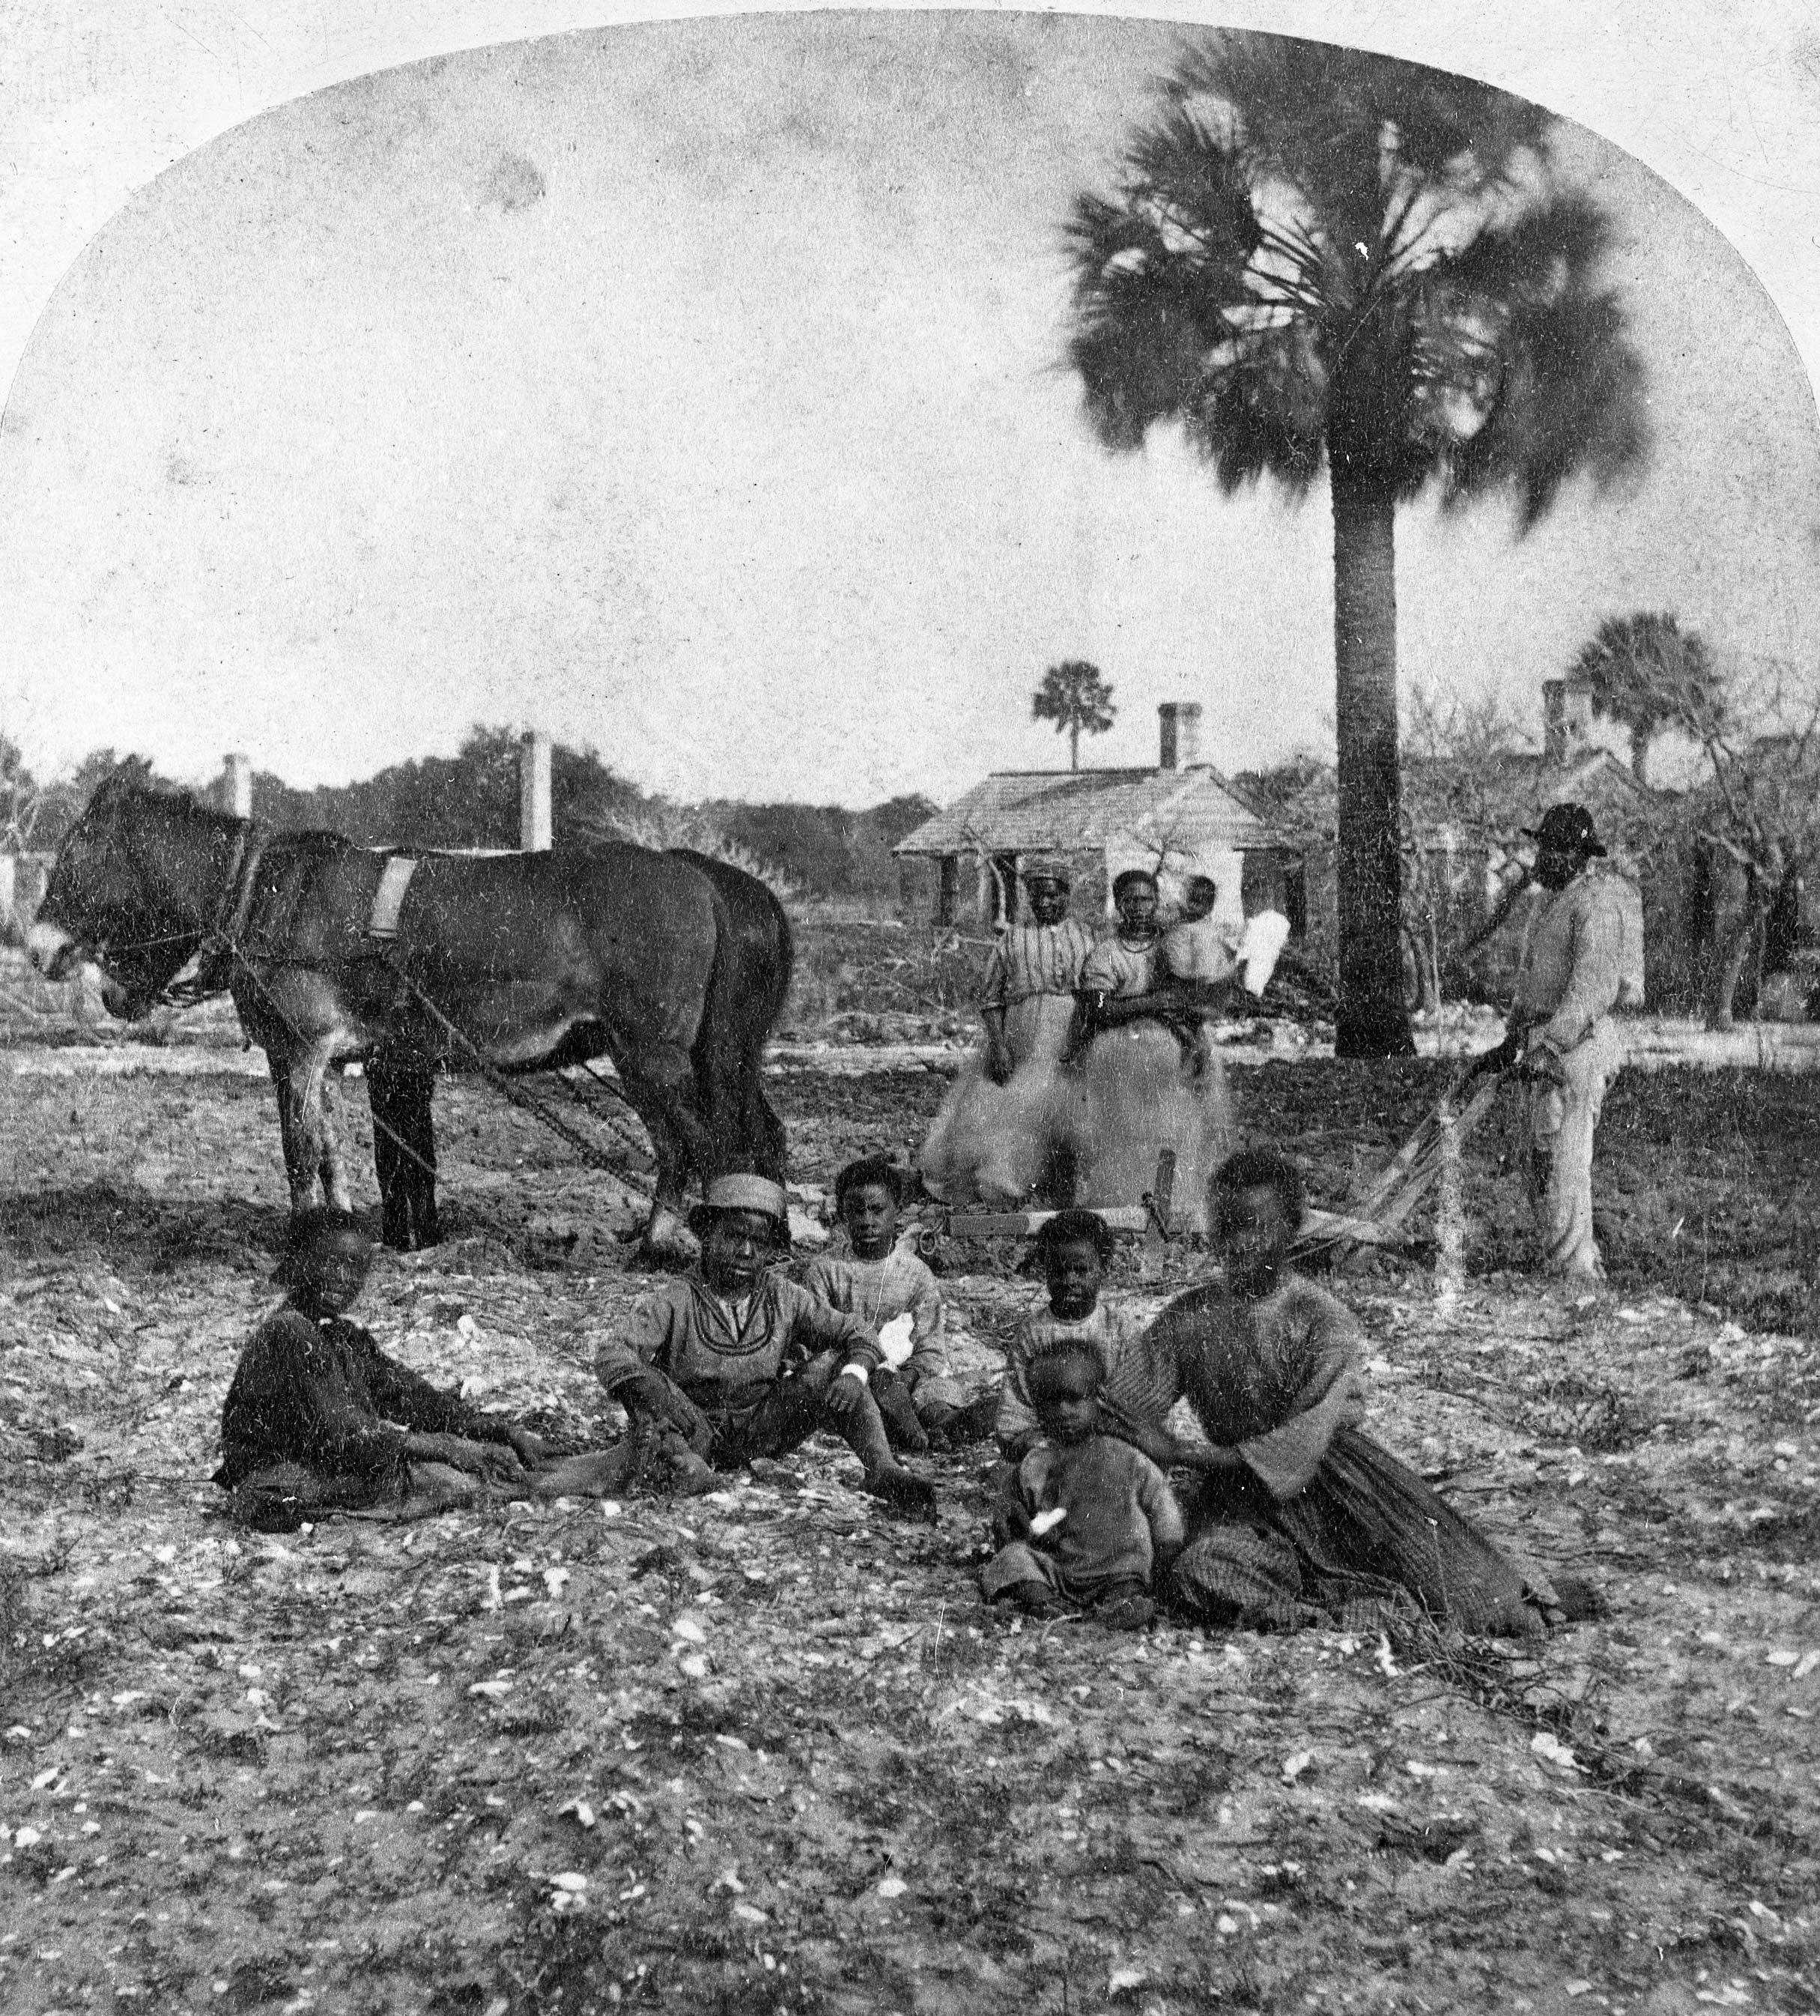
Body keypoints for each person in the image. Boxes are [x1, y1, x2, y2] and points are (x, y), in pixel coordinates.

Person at [1089, 1149, 1595, 1637]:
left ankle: (1513, 1587)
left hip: (1344, 1489)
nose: (1237, 1243)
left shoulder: (1321, 1319)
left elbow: (1300, 1447)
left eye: (1255, 1227)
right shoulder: (1190, 1317)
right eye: (1226, 1227)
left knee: (1483, 1605)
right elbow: (1122, 1405)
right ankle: (1313, 1604)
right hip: (1240, 1495)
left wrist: (1179, 1451)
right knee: (1198, 1571)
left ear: (1292, 1229)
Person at [595, 1175, 938, 1519]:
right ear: (707, 1235)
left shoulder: (782, 1296)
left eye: (758, 1243)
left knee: (833, 1364)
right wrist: (649, 1385)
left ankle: (882, 1468)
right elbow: (614, 1352)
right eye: (733, 1237)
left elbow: (855, 1331)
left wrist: (854, 1373)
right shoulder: (675, 1299)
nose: (746, 1252)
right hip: (691, 1430)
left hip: (763, 1429)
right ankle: (680, 1465)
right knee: (643, 1385)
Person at [214, 1208, 549, 1532]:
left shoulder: (340, 1335)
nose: (345, 1278)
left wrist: (501, 1431)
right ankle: (575, 1477)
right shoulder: (289, 1331)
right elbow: (352, 1438)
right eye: (332, 1262)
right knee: (452, 1479)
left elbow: (413, 1400)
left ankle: (565, 1473)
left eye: (357, 1267)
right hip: (277, 1480)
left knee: (471, 1467)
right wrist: (450, 1447)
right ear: (298, 1261)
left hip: (320, 1468)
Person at [1468, 804, 1628, 1280]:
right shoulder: (1551, 904)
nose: (1544, 859)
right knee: (1538, 1158)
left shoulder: (1597, 904)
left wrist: (1545, 1044)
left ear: (1579, 856)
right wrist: (1509, 1042)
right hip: (1541, 1047)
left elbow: (1589, 995)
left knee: (1565, 1160)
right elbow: (1532, 989)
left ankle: (1575, 1270)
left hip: (1576, 1050)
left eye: (1555, 850)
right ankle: (1554, 1259)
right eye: (1543, 848)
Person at [981, 1340, 1184, 1630]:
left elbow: (1164, 1513)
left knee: (1129, 1585)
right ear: (1037, 1410)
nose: (1064, 1411)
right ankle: (1045, 1604)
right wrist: (1022, 1529)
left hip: (1117, 1570)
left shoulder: (1128, 1458)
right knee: (1013, 1561)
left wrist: (1165, 1562)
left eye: (1075, 1400)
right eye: (1051, 1402)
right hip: (1059, 1570)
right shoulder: (1036, 1464)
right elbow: (1012, 1519)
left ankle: (1122, 1607)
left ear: (1098, 1401)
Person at [801, 1157, 991, 1452]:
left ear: (897, 1212)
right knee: (853, 1393)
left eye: (877, 1210)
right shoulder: (826, 1270)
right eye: (857, 1211)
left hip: (905, 1376)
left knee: (937, 1390)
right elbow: (813, 1336)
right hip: (849, 1375)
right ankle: (907, 1428)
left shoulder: (914, 1274)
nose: (867, 1221)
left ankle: (947, 1422)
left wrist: (907, 1376)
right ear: (843, 1215)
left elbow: (929, 1346)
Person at [995, 1210, 1150, 1465]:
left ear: (1103, 1270)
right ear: (1045, 1271)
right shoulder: (1033, 1334)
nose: (1070, 1280)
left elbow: (1136, 1409)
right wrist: (1030, 1441)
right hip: (1050, 1446)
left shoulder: (1119, 1330)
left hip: (1109, 1445)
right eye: (1059, 1271)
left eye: (1081, 1270)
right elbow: (1015, 1415)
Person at [978, 859, 1097, 1083]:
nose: (1043, 903)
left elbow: (1099, 990)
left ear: (1065, 896)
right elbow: (990, 998)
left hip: (1072, 1031)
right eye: (1037, 896)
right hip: (1024, 1031)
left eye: (1052, 896)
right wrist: (999, 1048)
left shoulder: (1085, 935)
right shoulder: (1014, 937)